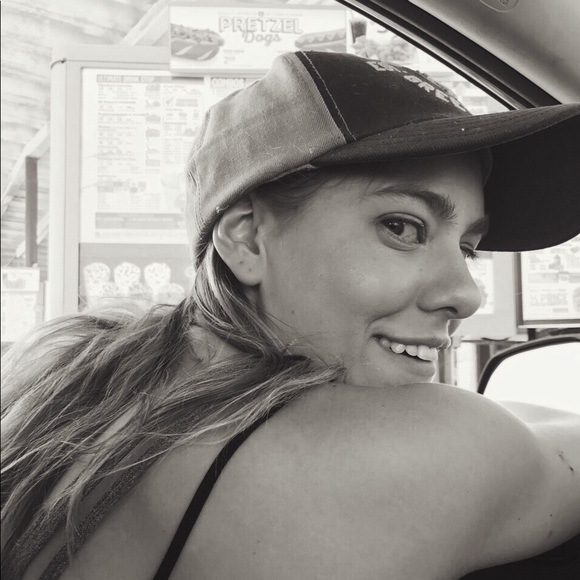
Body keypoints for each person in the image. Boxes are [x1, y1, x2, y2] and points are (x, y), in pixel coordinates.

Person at [2, 51, 579, 580]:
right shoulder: (381, 460)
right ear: (247, 238)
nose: (466, 295)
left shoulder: (83, 392)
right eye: (402, 227)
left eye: (468, 248)